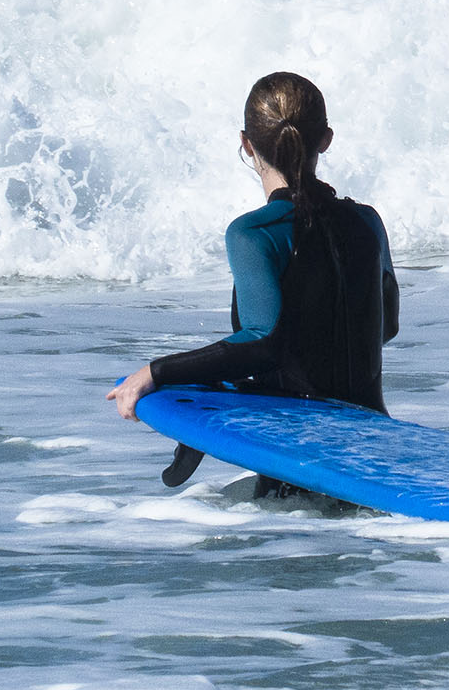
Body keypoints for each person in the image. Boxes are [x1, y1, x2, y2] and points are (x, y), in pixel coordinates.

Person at [108, 71, 400, 497]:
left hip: (298, 469)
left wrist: (159, 372)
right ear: (326, 139)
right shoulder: (366, 222)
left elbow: (263, 343)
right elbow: (385, 326)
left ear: (247, 143)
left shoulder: (254, 234)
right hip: (374, 456)